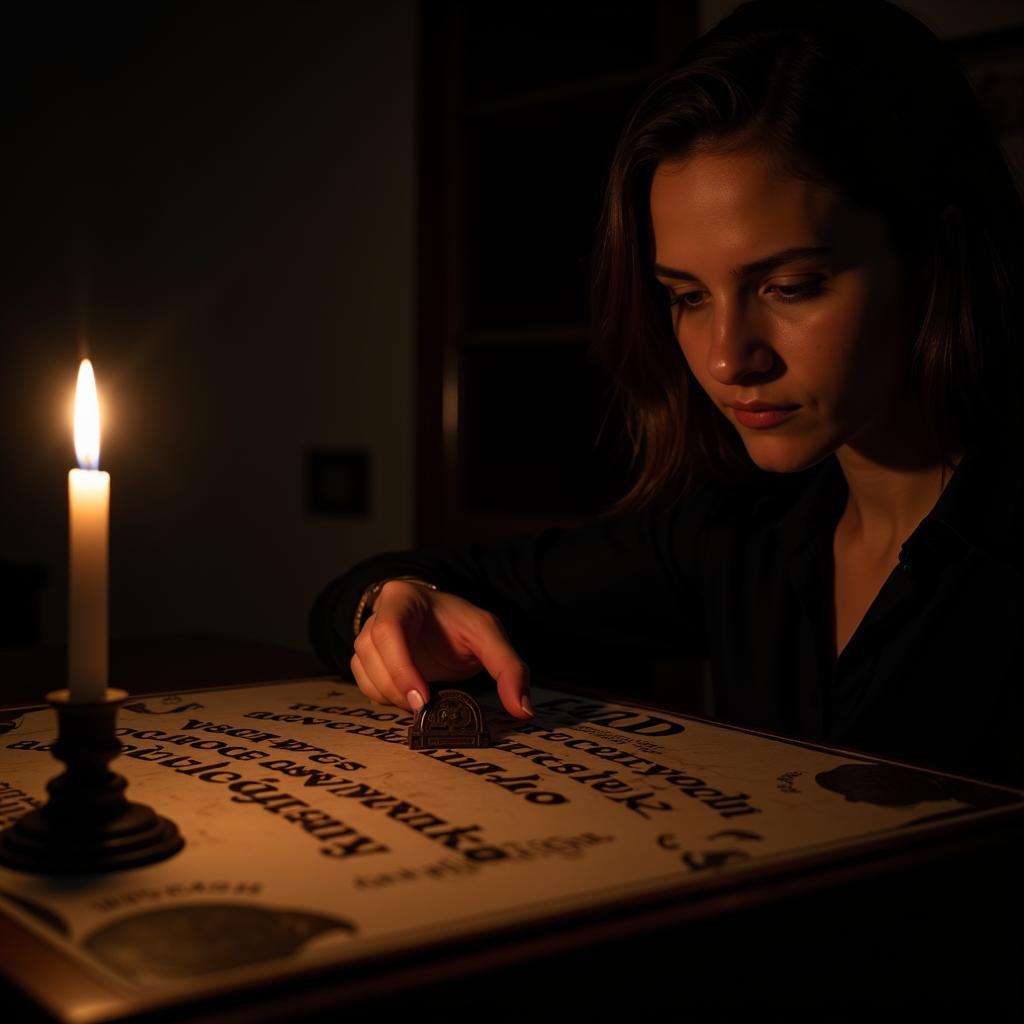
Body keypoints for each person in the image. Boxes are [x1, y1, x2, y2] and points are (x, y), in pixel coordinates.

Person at [310, 0, 1024, 788]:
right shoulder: (744, 531)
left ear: (936, 255)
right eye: (686, 297)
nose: (727, 358)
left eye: (791, 287)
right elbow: (369, 589)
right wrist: (394, 603)